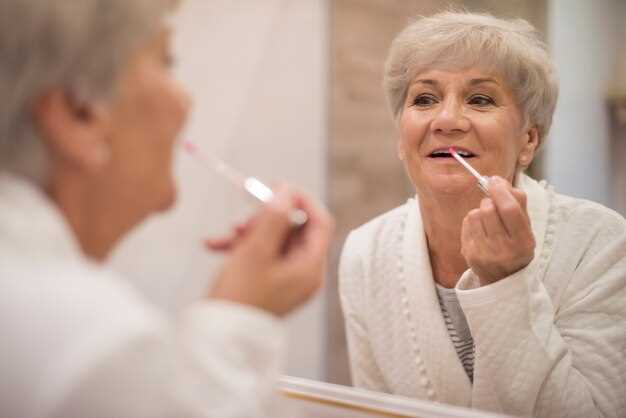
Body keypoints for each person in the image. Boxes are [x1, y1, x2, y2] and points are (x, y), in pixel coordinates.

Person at [0, 1, 333, 417]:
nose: (185, 101)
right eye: (166, 61)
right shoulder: (94, 345)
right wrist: (240, 318)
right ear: (79, 113)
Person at [339, 11, 626, 418]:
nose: (447, 120)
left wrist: (506, 282)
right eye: (424, 98)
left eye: (480, 99)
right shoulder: (365, 251)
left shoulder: (600, 242)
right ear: (402, 137)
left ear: (528, 141)